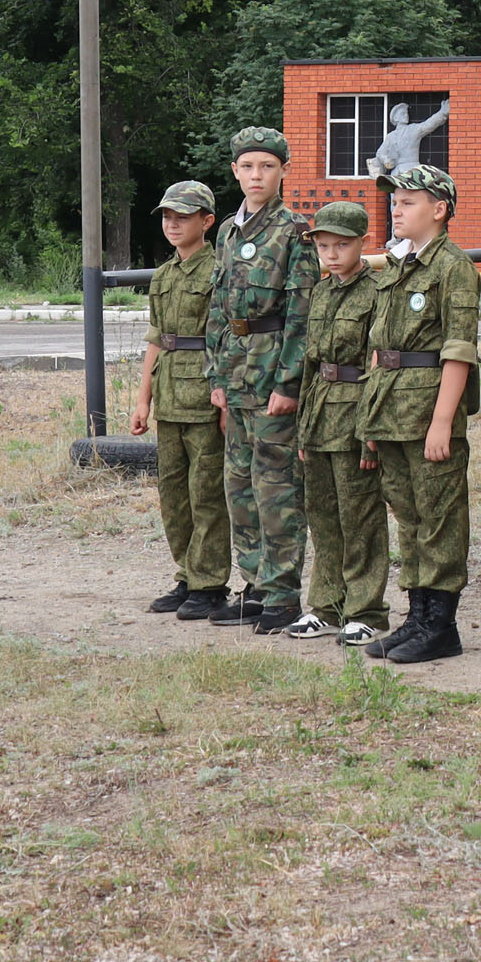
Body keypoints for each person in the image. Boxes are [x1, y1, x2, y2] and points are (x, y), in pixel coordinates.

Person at [359, 165, 481, 665]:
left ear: (439, 209)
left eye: (409, 201)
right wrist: (369, 416)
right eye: (396, 200)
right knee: (408, 517)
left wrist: (441, 421)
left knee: (439, 517)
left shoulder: (453, 268)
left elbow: (458, 349)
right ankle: (417, 615)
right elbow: (378, 348)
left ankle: (440, 624)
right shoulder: (396, 267)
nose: (397, 208)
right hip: (389, 408)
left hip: (427, 410)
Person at [203, 126, 316, 635]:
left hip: (272, 373)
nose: (256, 175)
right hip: (237, 375)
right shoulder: (228, 231)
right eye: (248, 167)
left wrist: (289, 384)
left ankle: (282, 594)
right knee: (240, 490)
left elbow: (301, 313)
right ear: (235, 172)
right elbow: (219, 309)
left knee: (277, 491)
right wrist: (217, 376)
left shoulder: (294, 232)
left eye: (266, 167)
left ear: (282, 172)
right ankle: (253, 586)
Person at [291, 201, 390, 644]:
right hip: (319, 412)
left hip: (355, 414)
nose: (331, 254)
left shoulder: (379, 291)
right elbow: (313, 363)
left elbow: (378, 367)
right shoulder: (322, 292)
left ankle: (366, 609)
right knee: (323, 515)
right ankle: (326, 606)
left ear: (362, 243)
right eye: (323, 246)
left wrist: (370, 432)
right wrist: (302, 428)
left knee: (360, 515)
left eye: (341, 245)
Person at [128, 181, 227, 621]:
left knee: (206, 493)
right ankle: (187, 574)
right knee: (173, 494)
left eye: (182, 217)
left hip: (204, 396)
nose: (172, 224)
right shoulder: (164, 275)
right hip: (169, 395)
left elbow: (225, 339)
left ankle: (210, 583)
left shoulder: (218, 271)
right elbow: (156, 340)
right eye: (167, 217)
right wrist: (142, 401)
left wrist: (225, 399)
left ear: (206, 222)